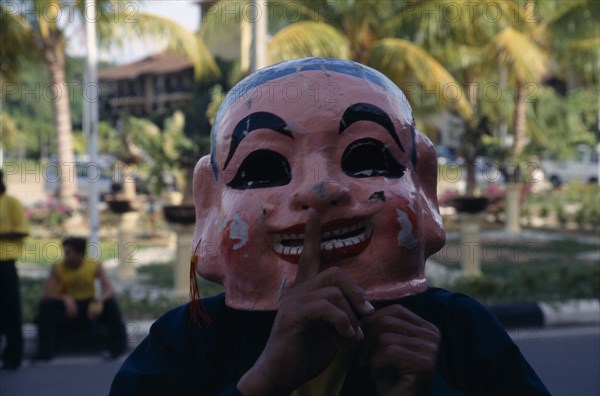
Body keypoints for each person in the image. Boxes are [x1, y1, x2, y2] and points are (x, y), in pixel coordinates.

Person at [110, 58, 550, 395]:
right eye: (264, 167)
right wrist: (261, 382)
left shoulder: (459, 332)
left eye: (365, 157)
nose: (320, 190)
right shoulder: (186, 342)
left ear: (423, 183)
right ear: (210, 203)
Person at [35, 236, 127, 360]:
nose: (66, 256)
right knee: (46, 307)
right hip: (68, 308)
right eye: (65, 253)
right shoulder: (58, 267)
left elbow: (109, 290)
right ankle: (45, 352)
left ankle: (116, 350)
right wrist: (64, 298)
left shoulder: (93, 265)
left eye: (69, 253)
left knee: (110, 305)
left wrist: (100, 300)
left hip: (88, 306)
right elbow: (47, 293)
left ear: (80, 254)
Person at [0, 168, 29, 370]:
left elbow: (21, 231)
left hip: (5, 263)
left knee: (11, 311)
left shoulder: (11, 203)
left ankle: (13, 356)